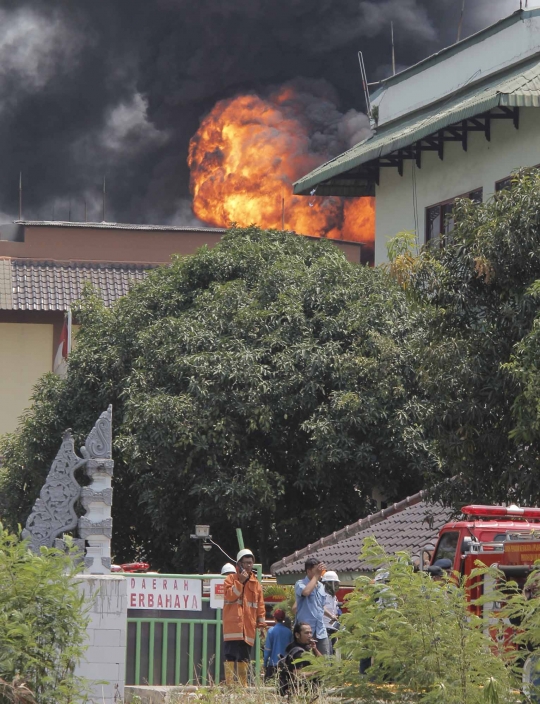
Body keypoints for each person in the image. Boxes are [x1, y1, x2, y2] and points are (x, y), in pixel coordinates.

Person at [223, 548, 266, 686]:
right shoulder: (230, 579)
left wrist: (262, 625)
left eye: (250, 563)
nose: (248, 566)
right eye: (245, 563)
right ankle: (229, 684)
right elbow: (230, 595)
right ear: (239, 564)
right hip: (233, 626)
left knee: (244, 658)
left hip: (248, 627)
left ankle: (243, 685)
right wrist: (240, 582)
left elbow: (260, 606)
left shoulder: (256, 584)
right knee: (230, 656)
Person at [295, 557, 330, 655]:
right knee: (306, 658)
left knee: (325, 659)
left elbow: (320, 606)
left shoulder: (321, 586)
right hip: (306, 631)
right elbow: (306, 592)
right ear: (308, 571)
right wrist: (316, 576)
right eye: (316, 570)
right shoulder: (300, 583)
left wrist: (331, 616)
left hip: (320, 630)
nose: (319, 572)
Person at [278, 622, 320, 696]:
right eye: (306, 633)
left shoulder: (306, 648)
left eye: (310, 633)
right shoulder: (298, 653)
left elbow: (322, 661)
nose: (310, 636)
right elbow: (298, 675)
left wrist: (315, 649)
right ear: (297, 635)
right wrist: (317, 671)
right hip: (300, 694)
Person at [264, 609, 292, 679]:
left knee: (269, 686)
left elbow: (267, 649)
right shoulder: (289, 632)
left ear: (274, 618)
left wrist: (265, 663)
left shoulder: (271, 631)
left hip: (273, 664)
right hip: (285, 665)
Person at [321, 571, 341, 654]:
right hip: (324, 629)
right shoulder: (322, 595)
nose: (335, 586)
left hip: (333, 629)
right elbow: (320, 608)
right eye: (334, 583)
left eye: (336, 583)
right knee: (327, 654)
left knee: (333, 655)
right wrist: (331, 616)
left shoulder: (334, 597)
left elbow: (335, 611)